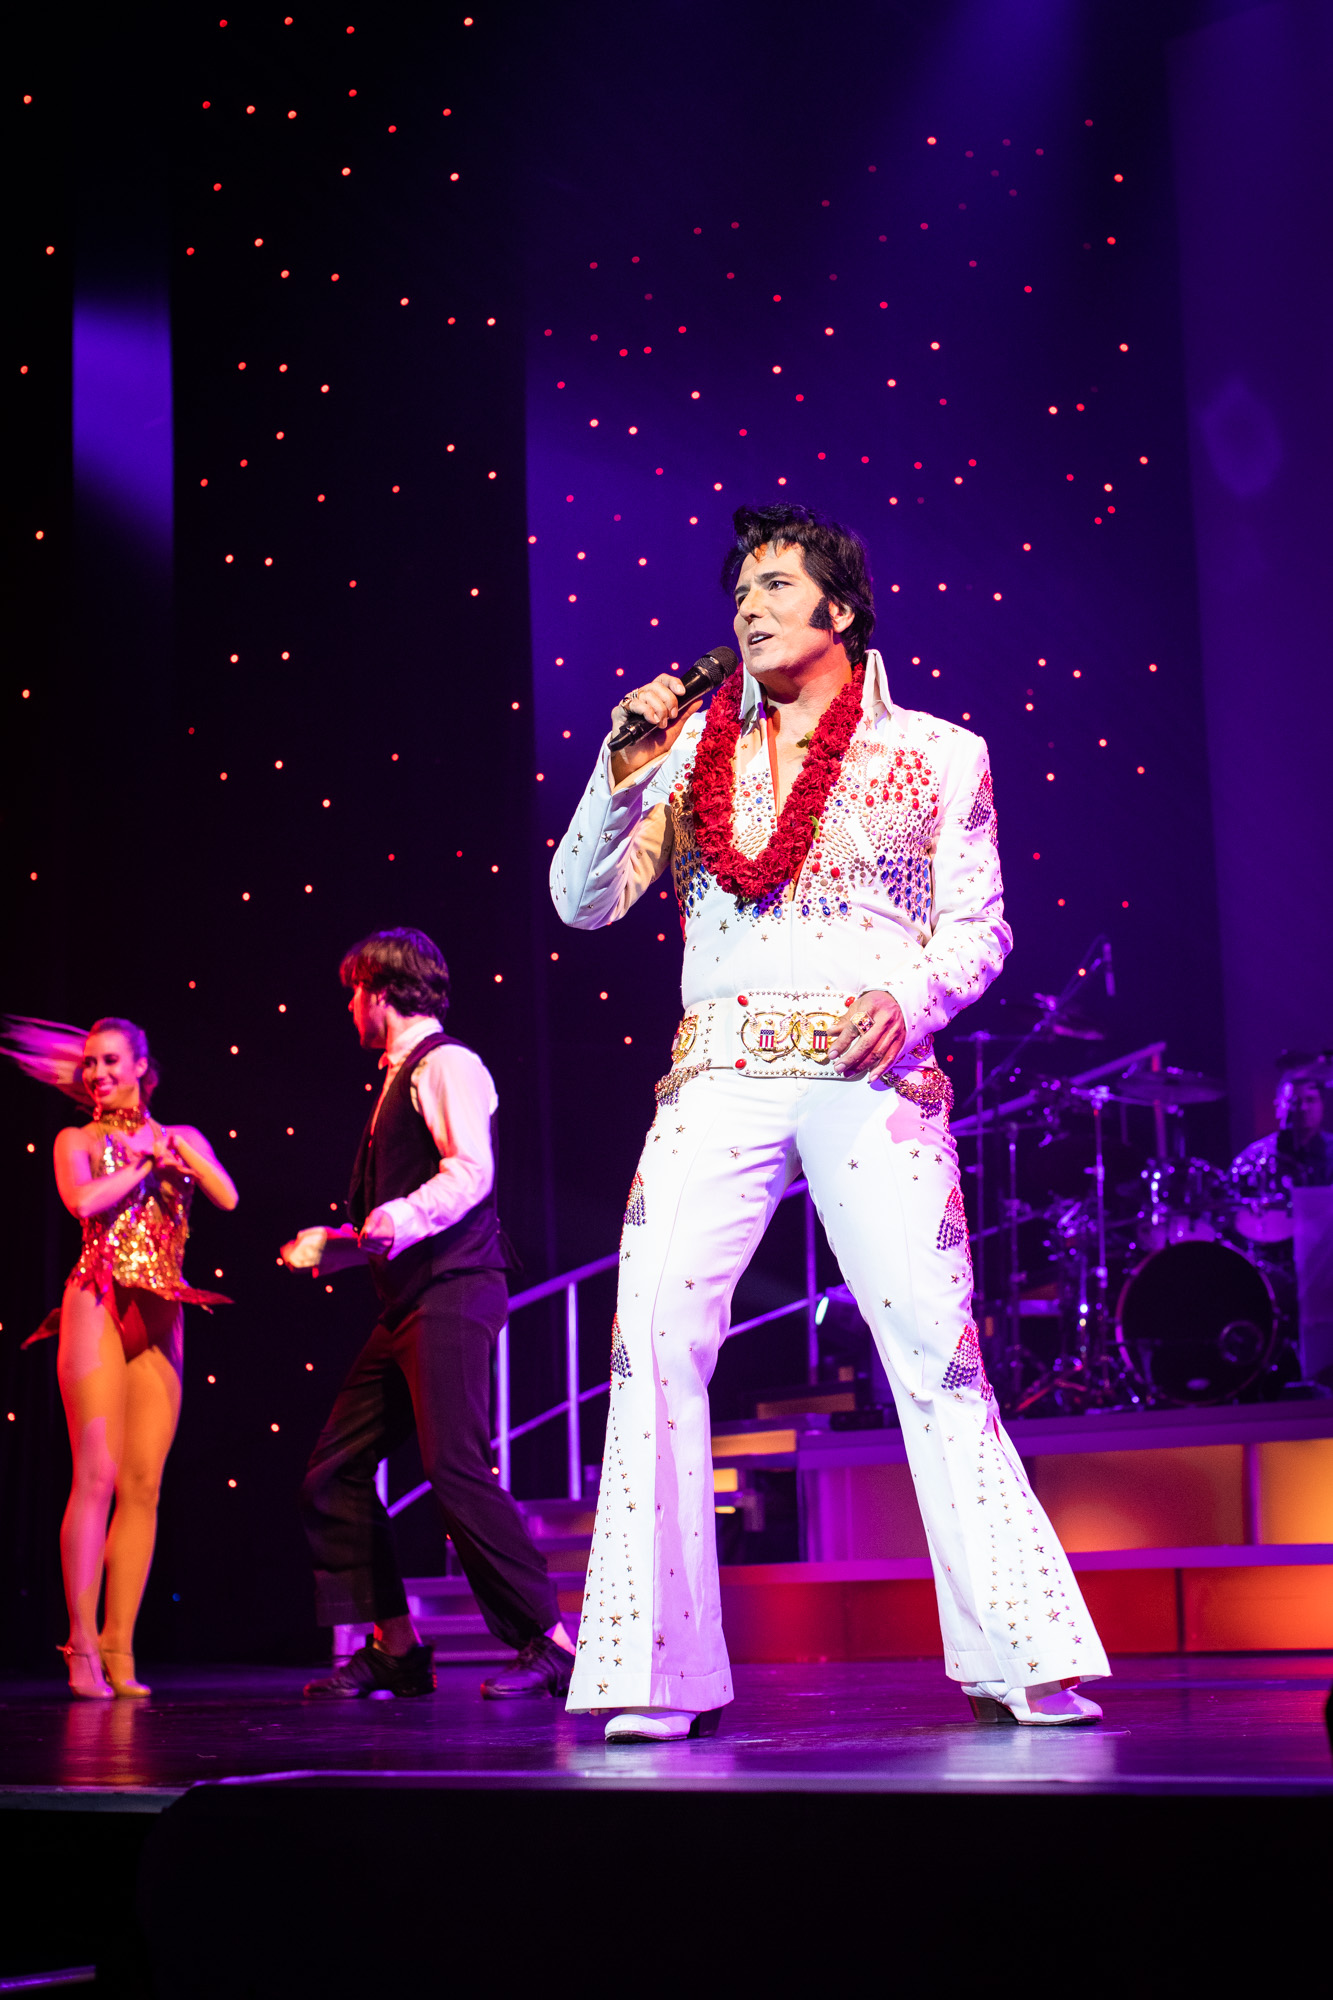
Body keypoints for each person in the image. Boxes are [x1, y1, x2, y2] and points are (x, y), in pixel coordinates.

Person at [550, 502, 1110, 1741]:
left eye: (776, 584)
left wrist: (910, 998)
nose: (748, 606)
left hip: (872, 1063)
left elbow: (979, 927)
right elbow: (580, 902)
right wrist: (617, 766)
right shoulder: (685, 750)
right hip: (718, 1067)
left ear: (840, 609)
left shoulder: (939, 752)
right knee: (651, 1339)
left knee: (935, 1350)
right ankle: (652, 1668)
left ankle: (1021, 1653)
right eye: (739, 589)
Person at [282, 928, 575, 1700]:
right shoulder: (396, 1077)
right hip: (411, 1298)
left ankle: (551, 1642)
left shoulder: (447, 1064)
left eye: (353, 992)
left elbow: (470, 1173)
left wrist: (399, 1216)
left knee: (454, 1467)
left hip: (455, 1288)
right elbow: (398, 1216)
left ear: (380, 991)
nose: (349, 1007)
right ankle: (397, 1648)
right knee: (334, 1471)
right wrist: (341, 1248)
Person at [2, 1016, 238, 1699]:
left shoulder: (179, 1136)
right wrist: (141, 1166)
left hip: (162, 1309)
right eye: (90, 1064)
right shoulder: (75, 1140)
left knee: (143, 1484)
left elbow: (226, 1196)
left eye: (111, 1061)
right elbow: (83, 1201)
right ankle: (79, 1645)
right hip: (97, 1303)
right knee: (97, 1477)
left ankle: (120, 1649)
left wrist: (173, 1151)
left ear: (140, 1066)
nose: (98, 1074)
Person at [1233, 1074, 1333, 1190]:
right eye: (1294, 1101)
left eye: (1311, 1100)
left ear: (1322, 1105)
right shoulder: (1254, 1157)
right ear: (1278, 1107)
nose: (1303, 1108)